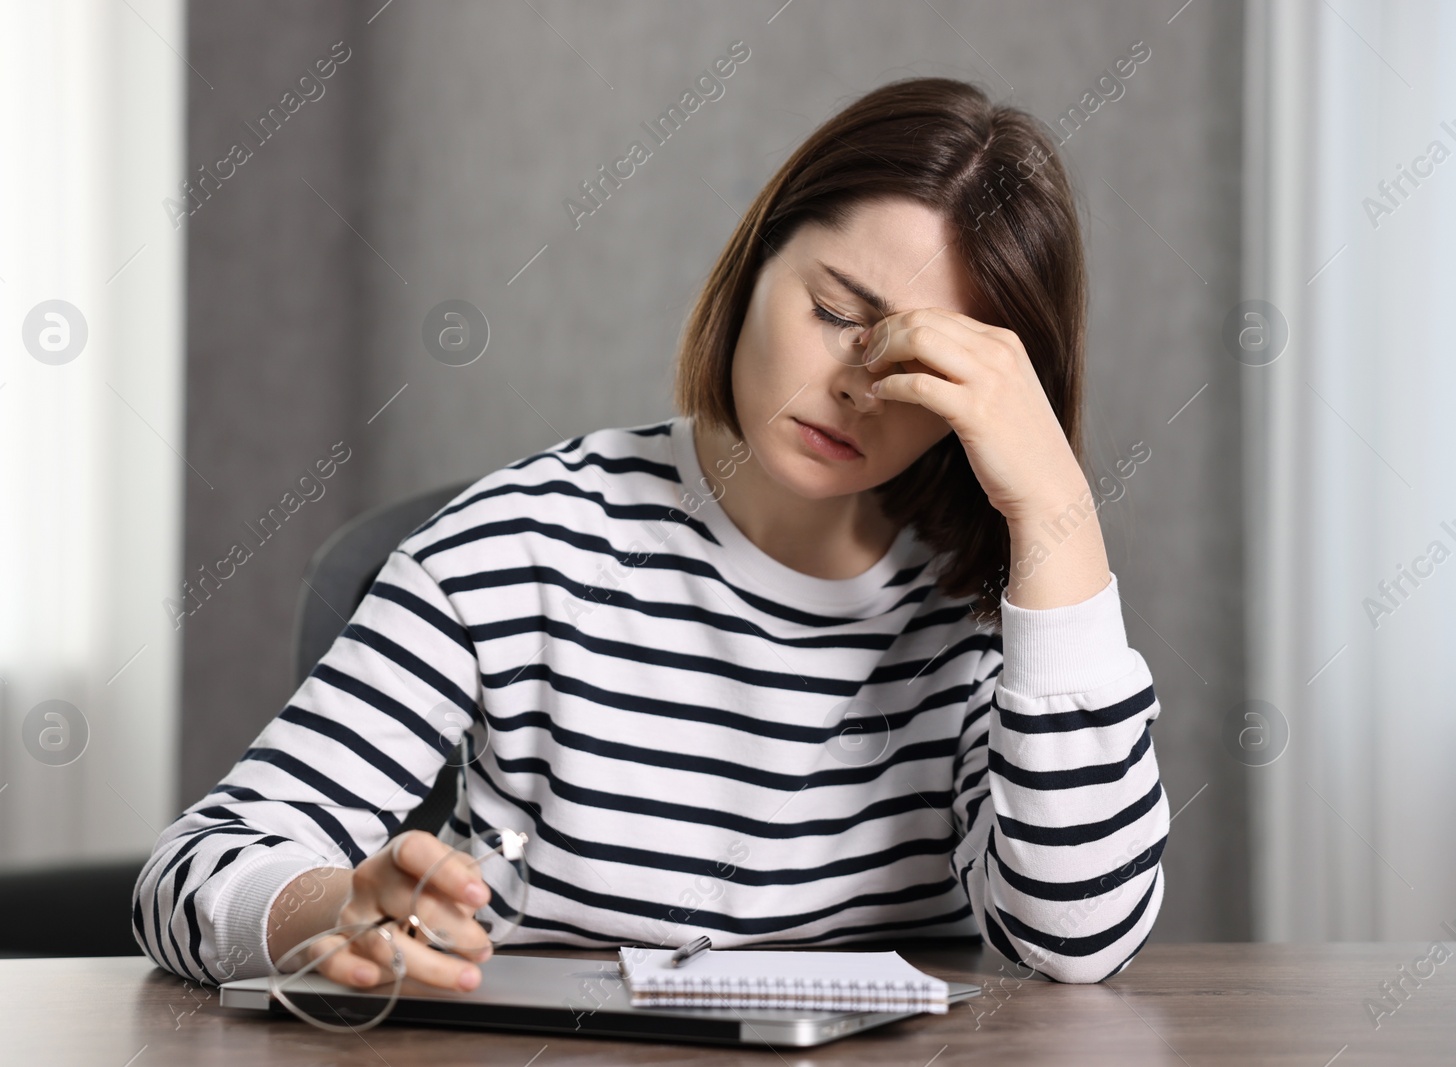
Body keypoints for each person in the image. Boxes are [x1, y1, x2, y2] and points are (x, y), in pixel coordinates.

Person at [133, 75, 1168, 994]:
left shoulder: (1000, 611)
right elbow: (193, 870)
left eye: (921, 366)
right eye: (832, 310)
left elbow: (1075, 941)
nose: (856, 385)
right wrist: (329, 912)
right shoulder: (517, 550)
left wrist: (1053, 510)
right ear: (756, 262)